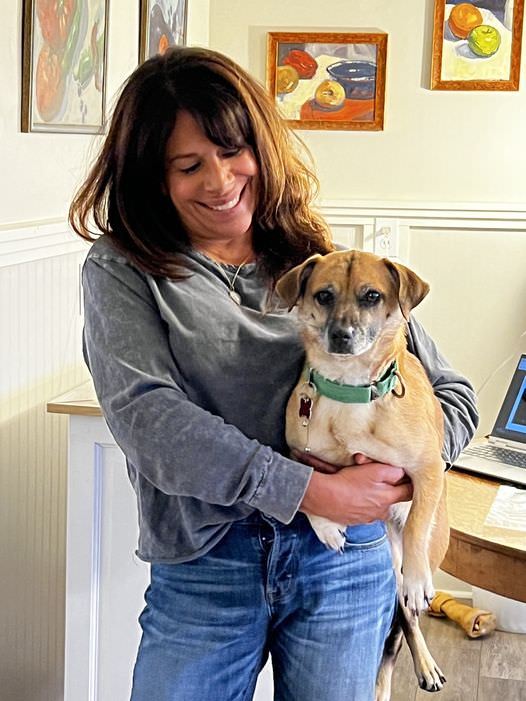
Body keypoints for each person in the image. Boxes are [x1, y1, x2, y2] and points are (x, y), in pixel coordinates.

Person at [69, 46, 478, 701]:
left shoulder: (318, 260)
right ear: (151, 173)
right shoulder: (124, 269)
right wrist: (310, 491)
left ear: (262, 145)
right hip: (208, 560)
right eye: (188, 164)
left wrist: (402, 474)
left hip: (346, 562)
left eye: (235, 151)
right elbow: (150, 423)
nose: (221, 179)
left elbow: (453, 394)